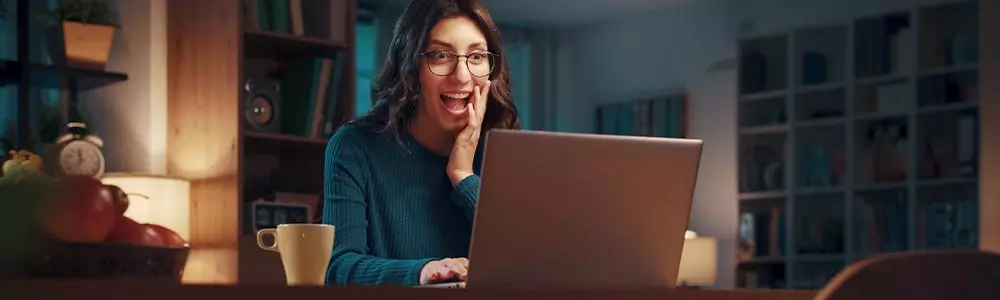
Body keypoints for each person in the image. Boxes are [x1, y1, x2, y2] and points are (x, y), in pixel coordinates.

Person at [321, 0, 519, 286]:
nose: (462, 76)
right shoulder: (354, 147)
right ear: (411, 68)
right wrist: (423, 272)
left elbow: (527, 264)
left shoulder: (507, 154)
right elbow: (339, 268)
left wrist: (464, 178)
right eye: (441, 55)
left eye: (476, 57)